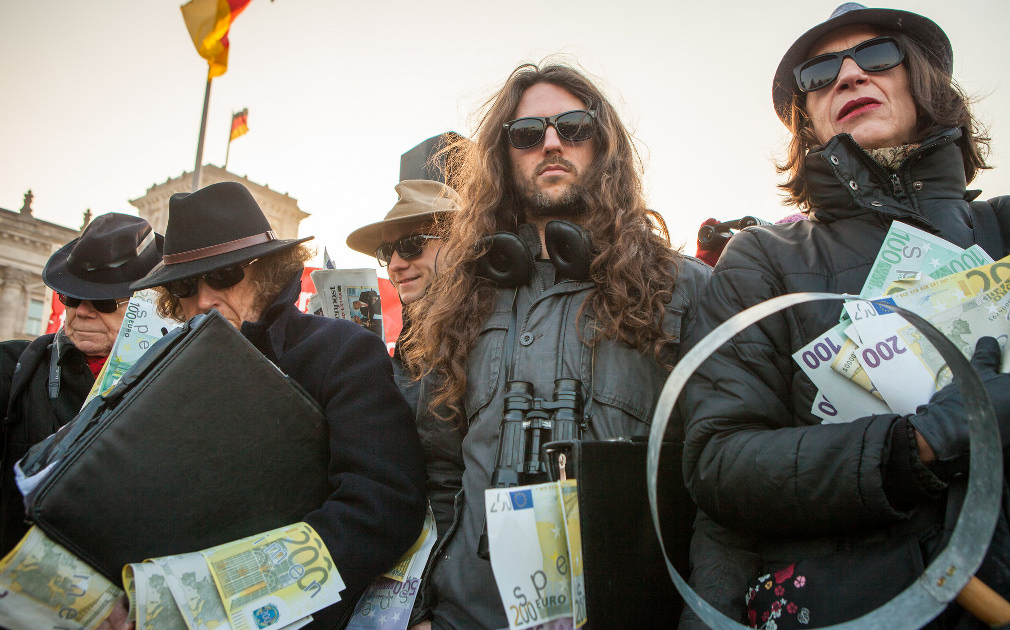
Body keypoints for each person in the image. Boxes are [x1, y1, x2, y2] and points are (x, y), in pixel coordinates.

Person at [682, 4, 1010, 628]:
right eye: (818, 74)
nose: (848, 76)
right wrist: (918, 445)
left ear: (922, 80)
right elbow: (720, 463)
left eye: (876, 56)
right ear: (806, 119)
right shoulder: (764, 258)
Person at [401, 61, 710, 630]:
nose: (550, 143)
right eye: (526, 134)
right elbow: (439, 473)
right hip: (469, 616)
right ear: (502, 155)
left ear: (603, 143)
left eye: (573, 127)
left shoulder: (683, 288)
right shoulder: (459, 298)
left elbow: (715, 473)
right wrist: (423, 610)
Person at [117, 181, 427, 630]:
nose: (203, 299)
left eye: (224, 275)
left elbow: (382, 506)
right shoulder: (159, 371)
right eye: (184, 285)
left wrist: (220, 593)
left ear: (265, 272)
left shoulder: (339, 351)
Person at [0, 213, 162, 556]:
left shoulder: (172, 378)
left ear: (146, 303)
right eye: (72, 297)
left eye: (104, 301)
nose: (83, 311)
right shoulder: (11, 366)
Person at [347, 179, 464, 539]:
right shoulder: (412, 338)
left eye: (412, 245)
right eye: (387, 252)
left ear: (461, 243)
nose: (396, 265)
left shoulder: (496, 327)